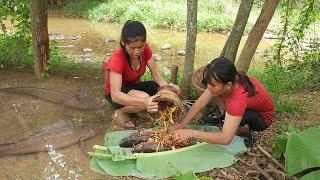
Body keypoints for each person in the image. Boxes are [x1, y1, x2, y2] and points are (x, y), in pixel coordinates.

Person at [173, 57, 275, 147]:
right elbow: (200, 103)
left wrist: (190, 133)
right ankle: (225, 117)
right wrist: (182, 124)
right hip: (244, 106)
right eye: (207, 83)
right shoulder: (226, 80)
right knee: (217, 96)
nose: (208, 87)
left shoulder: (237, 101)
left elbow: (225, 139)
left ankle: (244, 132)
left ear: (228, 86)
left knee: (229, 126)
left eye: (212, 85)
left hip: (262, 118)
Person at [104, 20, 179, 128]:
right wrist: (144, 101)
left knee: (166, 90)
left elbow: (155, 72)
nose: (137, 51)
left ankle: (141, 106)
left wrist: (167, 88)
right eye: (132, 48)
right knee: (145, 97)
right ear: (124, 43)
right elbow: (116, 96)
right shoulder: (117, 58)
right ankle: (120, 111)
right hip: (117, 92)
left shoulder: (146, 49)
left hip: (133, 87)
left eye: (140, 47)